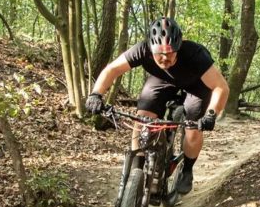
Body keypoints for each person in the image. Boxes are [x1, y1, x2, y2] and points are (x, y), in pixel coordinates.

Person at [85, 16, 229, 194]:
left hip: (196, 86)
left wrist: (211, 114)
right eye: (158, 53)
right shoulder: (142, 49)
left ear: (179, 46)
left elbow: (221, 87)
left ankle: (187, 170)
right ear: (150, 47)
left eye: (169, 54)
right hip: (162, 80)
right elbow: (112, 69)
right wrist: (96, 94)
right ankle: (137, 167)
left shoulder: (195, 54)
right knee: (143, 119)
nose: (164, 59)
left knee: (193, 129)